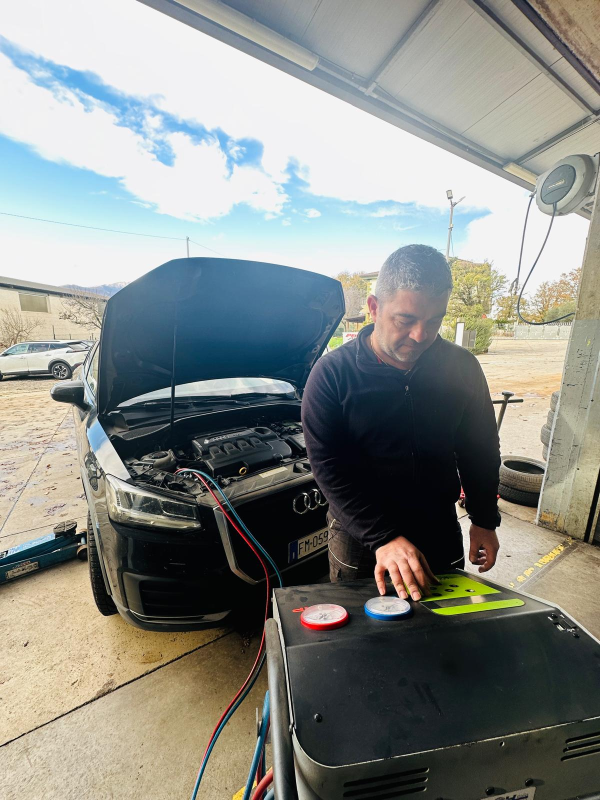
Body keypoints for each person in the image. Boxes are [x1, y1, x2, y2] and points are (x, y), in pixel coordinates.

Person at [302, 244, 500, 601]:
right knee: (365, 639)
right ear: (374, 308)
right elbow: (328, 467)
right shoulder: (332, 374)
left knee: (442, 633)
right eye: (406, 320)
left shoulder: (462, 367)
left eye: (435, 321)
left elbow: (480, 448)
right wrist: (382, 538)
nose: (421, 336)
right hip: (361, 538)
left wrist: (484, 519)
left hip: (438, 529)